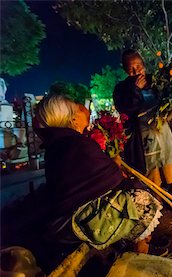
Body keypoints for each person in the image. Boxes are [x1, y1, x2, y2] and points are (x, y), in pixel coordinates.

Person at [33, 94, 162, 255]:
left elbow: (93, 179)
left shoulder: (57, 143)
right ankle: (140, 254)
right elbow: (111, 177)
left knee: (126, 196)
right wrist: (117, 167)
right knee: (139, 199)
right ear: (71, 119)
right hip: (73, 220)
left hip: (64, 214)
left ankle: (137, 242)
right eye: (77, 110)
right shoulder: (75, 142)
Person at [113, 49, 172, 212]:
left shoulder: (157, 81)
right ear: (125, 70)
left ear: (143, 65)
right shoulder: (123, 88)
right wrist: (135, 90)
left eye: (138, 65)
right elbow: (124, 109)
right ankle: (157, 204)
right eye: (131, 68)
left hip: (166, 132)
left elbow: (171, 100)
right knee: (153, 171)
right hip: (144, 136)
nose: (136, 70)